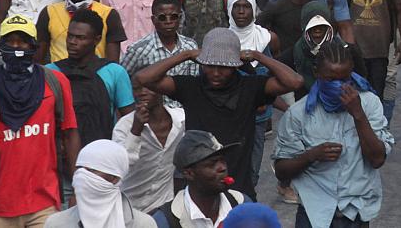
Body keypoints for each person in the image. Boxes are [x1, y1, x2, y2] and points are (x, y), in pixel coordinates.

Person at [136, 27, 300, 198]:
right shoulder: (190, 87)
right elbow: (143, 78)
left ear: (236, 66)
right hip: (200, 188)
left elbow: (294, 81)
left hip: (239, 186)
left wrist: (257, 56)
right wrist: (186, 55)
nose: (215, 73)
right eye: (210, 65)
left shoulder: (251, 87)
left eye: (223, 67)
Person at [0, 14, 80, 227]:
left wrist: (77, 187)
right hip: (4, 202)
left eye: (23, 41)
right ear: (0, 46)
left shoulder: (55, 81)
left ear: (34, 45)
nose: (17, 46)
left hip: (45, 200)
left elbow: (70, 132)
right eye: (10, 41)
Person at [272, 40, 394, 228]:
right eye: (330, 80)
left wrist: (358, 115)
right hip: (314, 214)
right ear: (316, 73)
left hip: (356, 212)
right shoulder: (298, 114)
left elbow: (377, 159)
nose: (338, 86)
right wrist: (311, 156)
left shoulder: (369, 104)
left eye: (344, 79)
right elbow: (281, 170)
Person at [46, 7, 135, 146]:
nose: (72, 42)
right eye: (70, 36)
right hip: (59, 154)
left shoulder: (115, 72)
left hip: (102, 155)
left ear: (97, 40)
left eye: (80, 38)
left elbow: (129, 119)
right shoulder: (50, 72)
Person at [43, 138, 159, 228]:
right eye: (80, 169)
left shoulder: (142, 224)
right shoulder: (56, 223)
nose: (82, 176)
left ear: (114, 178)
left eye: (92, 170)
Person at [112, 83, 186, 214]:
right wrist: (136, 129)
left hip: (162, 207)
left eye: (147, 87)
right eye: (137, 88)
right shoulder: (124, 125)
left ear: (162, 89)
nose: (141, 93)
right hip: (127, 208)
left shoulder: (181, 120)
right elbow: (121, 167)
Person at [151, 131, 249, 228]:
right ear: (189, 173)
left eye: (222, 160)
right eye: (212, 164)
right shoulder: (164, 222)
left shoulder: (242, 203)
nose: (222, 168)